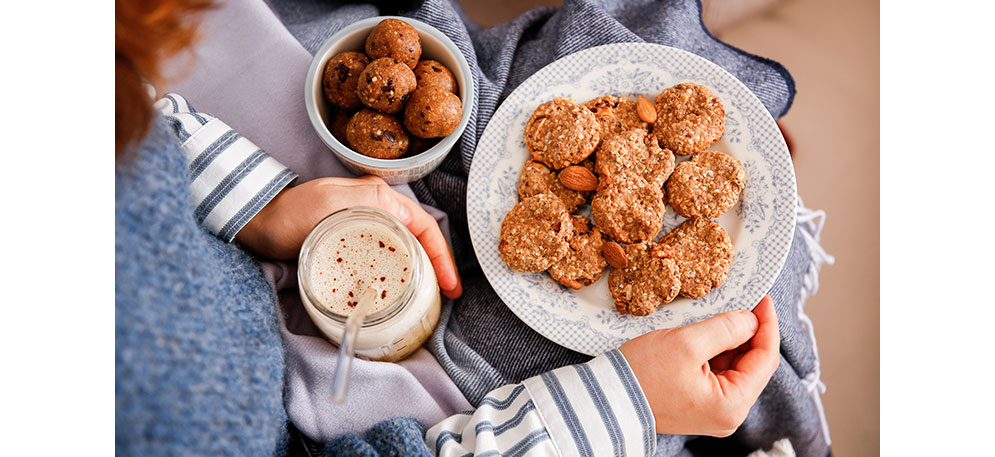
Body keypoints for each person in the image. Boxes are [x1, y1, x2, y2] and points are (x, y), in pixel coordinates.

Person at [115, 1, 780, 455]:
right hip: (415, 411)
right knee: (752, 375)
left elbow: (138, 114)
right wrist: (617, 405)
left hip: (309, 237)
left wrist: (256, 202)